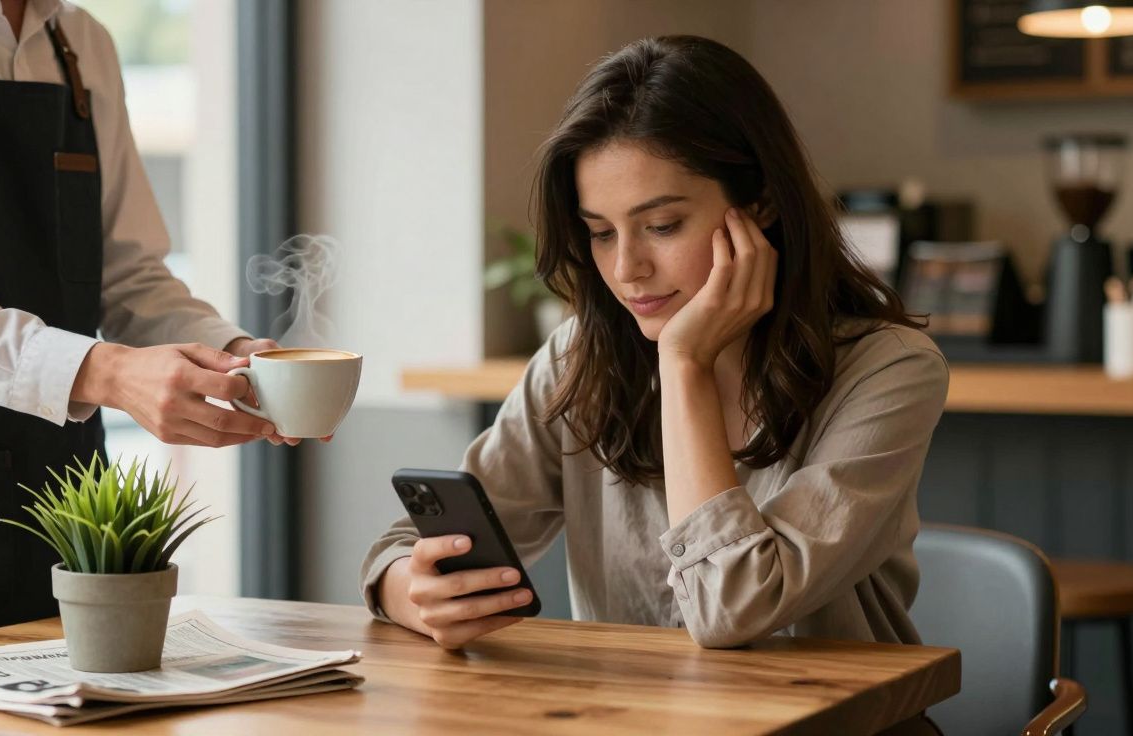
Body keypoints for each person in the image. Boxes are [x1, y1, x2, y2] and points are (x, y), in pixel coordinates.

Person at [362, 36, 949, 654]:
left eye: (662, 226)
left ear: (762, 204)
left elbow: (730, 608)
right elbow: (398, 552)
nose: (626, 269)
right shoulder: (578, 358)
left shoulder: (888, 370)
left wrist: (684, 363)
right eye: (601, 233)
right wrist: (416, 592)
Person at [0, 0, 300, 656]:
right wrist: (108, 371)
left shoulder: (83, 43)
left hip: (64, 503)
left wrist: (234, 354)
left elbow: (129, 273)